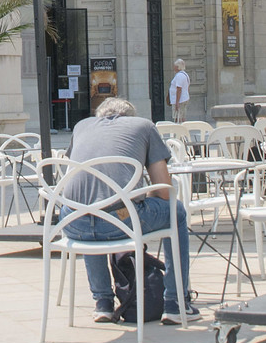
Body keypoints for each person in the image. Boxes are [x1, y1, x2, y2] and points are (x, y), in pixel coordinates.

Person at [59, 97, 198, 325]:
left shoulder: (81, 126)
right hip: (119, 219)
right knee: (177, 211)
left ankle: (103, 303)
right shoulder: (144, 126)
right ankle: (176, 302)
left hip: (73, 222)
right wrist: (141, 197)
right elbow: (165, 192)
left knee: (89, 207)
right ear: (129, 116)